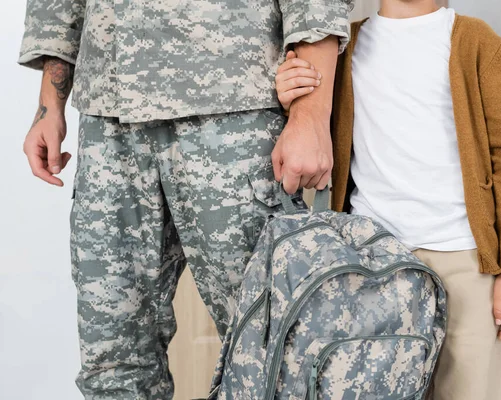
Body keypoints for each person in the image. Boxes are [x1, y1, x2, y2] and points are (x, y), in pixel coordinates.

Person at [18, 0, 353, 398]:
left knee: (272, 343)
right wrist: (49, 103)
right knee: (111, 353)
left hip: (234, 100)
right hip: (108, 112)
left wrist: (311, 114)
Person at [276, 1, 501, 399]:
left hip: (464, 257)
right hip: (375, 260)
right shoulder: (343, 48)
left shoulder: (478, 42)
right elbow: (309, 128)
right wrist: (290, 95)